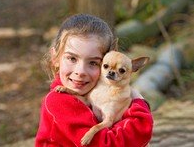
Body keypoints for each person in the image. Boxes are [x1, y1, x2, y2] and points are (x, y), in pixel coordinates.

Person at [35, 14, 153, 147]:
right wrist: (139, 103)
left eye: (93, 63)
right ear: (55, 58)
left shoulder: (96, 92)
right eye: (72, 59)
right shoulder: (58, 101)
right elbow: (108, 144)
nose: (80, 72)